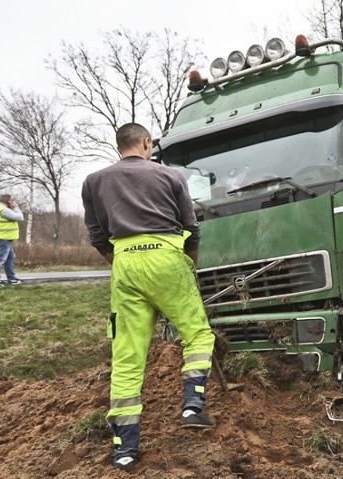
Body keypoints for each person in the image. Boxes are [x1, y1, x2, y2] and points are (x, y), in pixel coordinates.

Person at [81, 123, 216, 472]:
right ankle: (192, 405)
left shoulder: (94, 182)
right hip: (168, 257)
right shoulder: (170, 176)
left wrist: (121, 263)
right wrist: (189, 266)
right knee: (198, 333)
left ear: (118, 146)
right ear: (145, 143)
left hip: (124, 263)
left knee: (127, 356)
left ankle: (124, 450)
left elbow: (97, 235)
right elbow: (192, 229)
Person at [0, 194, 24, 287]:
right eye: (12, 201)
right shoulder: (3, 210)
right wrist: (16, 207)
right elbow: (20, 217)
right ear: (9, 202)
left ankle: (11, 278)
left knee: (10, 258)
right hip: (3, 238)